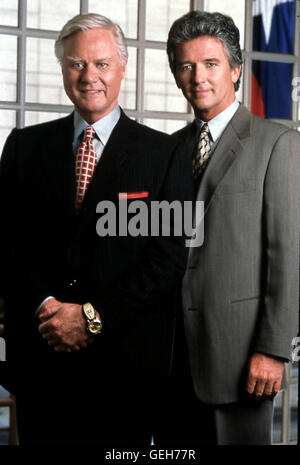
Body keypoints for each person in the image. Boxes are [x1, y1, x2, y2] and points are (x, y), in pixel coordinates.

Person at [0, 13, 191, 445]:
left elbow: (169, 260)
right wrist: (47, 305)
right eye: (76, 64)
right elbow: (6, 244)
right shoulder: (23, 147)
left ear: (123, 68)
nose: (89, 77)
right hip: (42, 363)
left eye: (102, 64)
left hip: (124, 370)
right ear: (63, 69)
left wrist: (90, 318)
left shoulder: (165, 155)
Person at [157, 10, 300, 445]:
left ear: (236, 70)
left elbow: (288, 254)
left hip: (241, 357)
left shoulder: (278, 144)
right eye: (186, 66)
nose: (198, 77)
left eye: (211, 64)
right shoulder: (167, 150)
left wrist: (274, 350)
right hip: (171, 353)